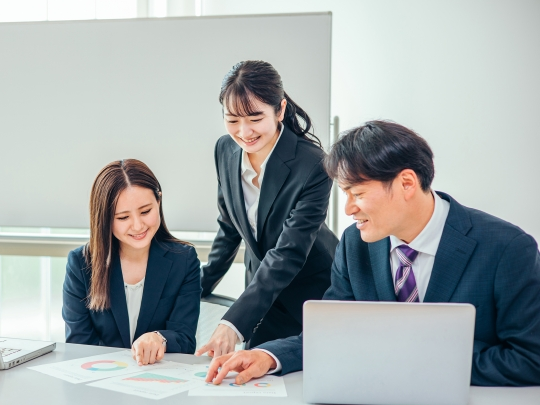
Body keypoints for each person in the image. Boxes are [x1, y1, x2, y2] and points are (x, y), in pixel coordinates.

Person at [205, 120, 540, 386]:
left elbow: (530, 359)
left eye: (358, 193)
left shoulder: (507, 250)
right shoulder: (354, 245)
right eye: (344, 193)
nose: (349, 208)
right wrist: (269, 356)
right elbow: (330, 334)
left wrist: (417, 362)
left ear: (407, 183)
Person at [196, 60, 339, 357]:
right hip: (260, 298)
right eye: (232, 119)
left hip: (311, 292)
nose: (244, 131)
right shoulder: (225, 150)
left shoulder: (312, 164)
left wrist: (233, 323)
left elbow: (288, 253)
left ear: (281, 110)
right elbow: (229, 228)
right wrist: (198, 286)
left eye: (255, 118)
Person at [62, 159, 201, 365]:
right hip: (101, 381)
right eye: (123, 217)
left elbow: (185, 339)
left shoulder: (184, 260)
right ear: (105, 219)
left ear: (159, 201)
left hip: (160, 382)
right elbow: (78, 345)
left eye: (145, 211)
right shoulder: (81, 264)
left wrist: (159, 338)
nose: (138, 226)